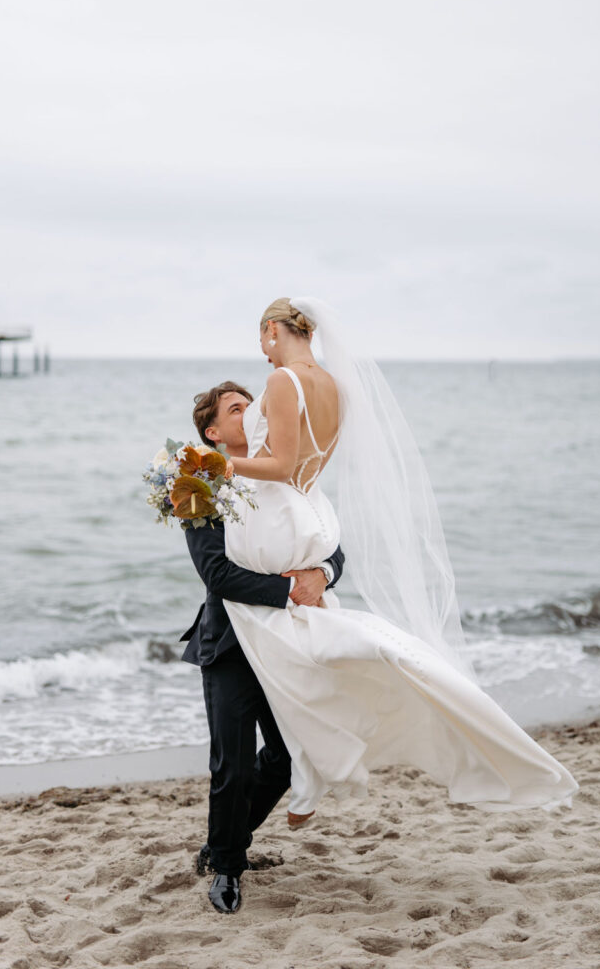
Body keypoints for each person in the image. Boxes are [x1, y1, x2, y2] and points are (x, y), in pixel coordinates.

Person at [221, 297, 578, 826]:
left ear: (273, 329)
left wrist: (222, 465)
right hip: (312, 512)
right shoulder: (336, 386)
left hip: (277, 513)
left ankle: (320, 763)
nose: (264, 354)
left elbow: (282, 463)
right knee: (299, 645)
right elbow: (310, 469)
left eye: (262, 340)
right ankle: (313, 767)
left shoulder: (281, 383)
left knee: (283, 647)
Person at [178, 380, 345, 914]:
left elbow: (333, 545)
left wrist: (322, 573)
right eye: (236, 409)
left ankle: (221, 842)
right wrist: (288, 590)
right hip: (228, 644)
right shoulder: (197, 484)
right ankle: (227, 868)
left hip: (286, 645)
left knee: (285, 756)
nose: (249, 414)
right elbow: (216, 572)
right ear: (213, 432)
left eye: (252, 406)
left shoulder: (290, 475)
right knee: (233, 765)